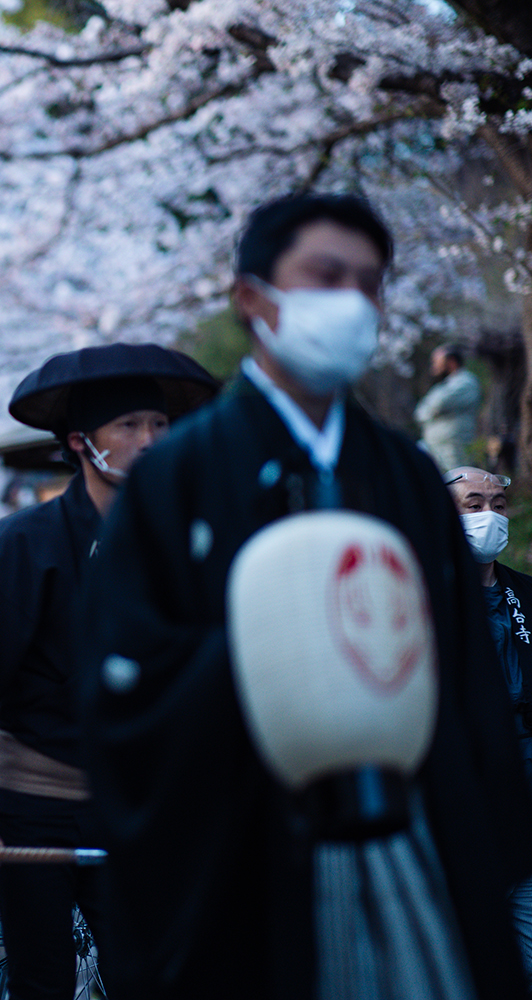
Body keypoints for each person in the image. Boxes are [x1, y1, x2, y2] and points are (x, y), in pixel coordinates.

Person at [78, 191, 532, 998]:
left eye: (369, 283)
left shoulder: (404, 476)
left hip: (405, 830)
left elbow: (464, 678)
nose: (352, 302)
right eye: (326, 276)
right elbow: (124, 677)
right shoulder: (179, 476)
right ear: (253, 297)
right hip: (238, 838)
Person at [0, 343, 217, 1000]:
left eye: (160, 426)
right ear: (83, 442)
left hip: (137, 799)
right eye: (130, 427)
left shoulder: (185, 542)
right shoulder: (25, 543)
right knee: (43, 976)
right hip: (33, 798)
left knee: (151, 973)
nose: (150, 441)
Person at [444, 466, 532, 982]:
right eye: (473, 505)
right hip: (468, 801)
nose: (489, 517)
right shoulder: (426, 597)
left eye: (498, 505)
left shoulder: (525, 593)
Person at [415, 343, 481, 471]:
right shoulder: (444, 386)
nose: (433, 365)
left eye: (436, 361)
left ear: (451, 361)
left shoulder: (467, 382)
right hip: (432, 447)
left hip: (452, 450)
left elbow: (439, 403)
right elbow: (420, 412)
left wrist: (431, 408)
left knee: (457, 484)